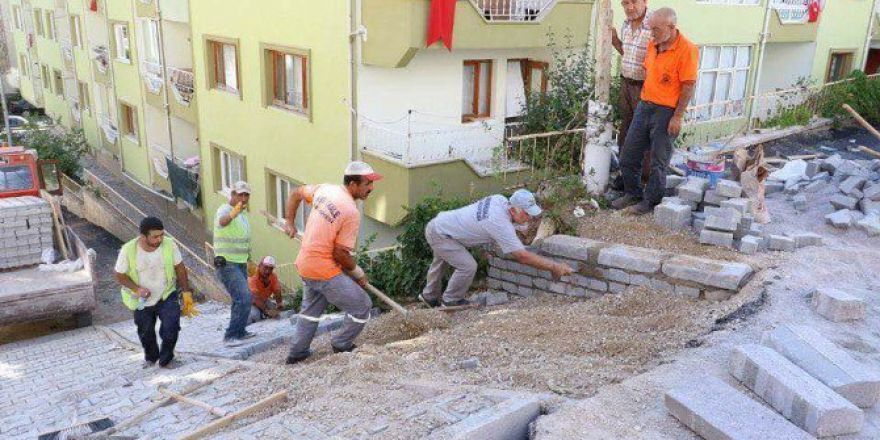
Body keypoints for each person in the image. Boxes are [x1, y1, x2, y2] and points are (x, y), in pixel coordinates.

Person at [283, 161, 382, 364]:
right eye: (367, 184)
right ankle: (342, 343)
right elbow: (340, 254)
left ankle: (297, 353)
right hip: (323, 268)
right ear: (353, 184)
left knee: (310, 311)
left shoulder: (325, 190)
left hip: (305, 264)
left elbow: (295, 193)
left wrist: (289, 222)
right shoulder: (351, 212)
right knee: (362, 306)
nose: (371, 188)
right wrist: (359, 274)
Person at [419, 189, 574, 307]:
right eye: (526, 214)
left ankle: (429, 297)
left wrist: (516, 227)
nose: (530, 218)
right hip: (441, 234)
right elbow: (522, 256)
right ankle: (451, 301)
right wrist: (554, 266)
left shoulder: (499, 200)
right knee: (468, 266)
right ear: (513, 210)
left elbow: (489, 221)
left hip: (442, 224)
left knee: (441, 260)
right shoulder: (499, 223)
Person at [612, 7, 698, 215]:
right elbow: (647, 69)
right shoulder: (653, 44)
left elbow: (688, 85)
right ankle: (633, 193)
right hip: (645, 104)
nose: (652, 34)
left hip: (666, 111)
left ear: (671, 27)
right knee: (628, 155)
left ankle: (650, 202)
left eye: (656, 30)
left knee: (659, 161)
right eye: (650, 30)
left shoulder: (687, 49)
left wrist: (677, 116)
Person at [115, 217, 191, 369]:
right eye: (155, 236)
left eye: (162, 235)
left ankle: (166, 359)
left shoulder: (169, 244)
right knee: (145, 331)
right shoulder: (128, 250)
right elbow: (119, 275)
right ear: (143, 236)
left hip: (166, 294)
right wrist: (137, 289)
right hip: (141, 300)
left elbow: (180, 268)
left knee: (172, 326)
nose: (160, 239)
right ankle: (151, 357)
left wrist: (186, 293)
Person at [611, 0, 652, 189]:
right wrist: (616, 42)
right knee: (625, 130)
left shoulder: (654, 24)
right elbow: (626, 53)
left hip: (644, 87)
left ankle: (643, 180)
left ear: (645, 2)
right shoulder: (626, 24)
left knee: (642, 133)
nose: (629, 7)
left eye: (634, 2)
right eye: (625, 3)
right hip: (626, 83)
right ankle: (625, 175)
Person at [213, 180, 255, 345]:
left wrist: (249, 259)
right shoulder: (225, 209)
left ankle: (240, 331)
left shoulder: (243, 215)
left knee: (242, 298)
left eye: (246, 195)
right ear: (232, 195)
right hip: (226, 262)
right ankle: (231, 335)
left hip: (240, 262)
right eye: (240, 194)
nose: (243, 198)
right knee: (243, 297)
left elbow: (243, 239)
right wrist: (233, 213)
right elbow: (222, 222)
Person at [248, 256, 284, 323]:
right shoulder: (253, 277)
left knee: (276, 312)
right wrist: (267, 311)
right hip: (250, 303)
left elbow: (277, 290)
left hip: (264, 300)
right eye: (265, 267)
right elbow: (255, 298)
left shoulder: (273, 276)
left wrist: (279, 304)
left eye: (270, 268)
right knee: (254, 316)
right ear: (260, 265)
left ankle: (263, 314)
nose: (268, 271)